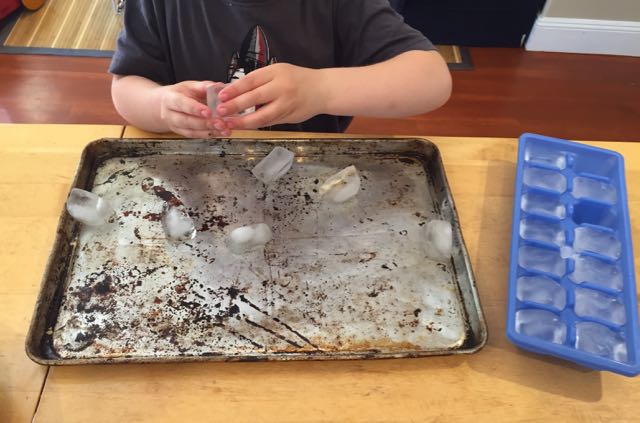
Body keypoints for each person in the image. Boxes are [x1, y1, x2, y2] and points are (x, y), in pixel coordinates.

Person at [110, 0, 452, 138]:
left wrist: (321, 90)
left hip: (309, 180)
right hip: (195, 177)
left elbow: (430, 78)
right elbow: (127, 85)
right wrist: (159, 105)